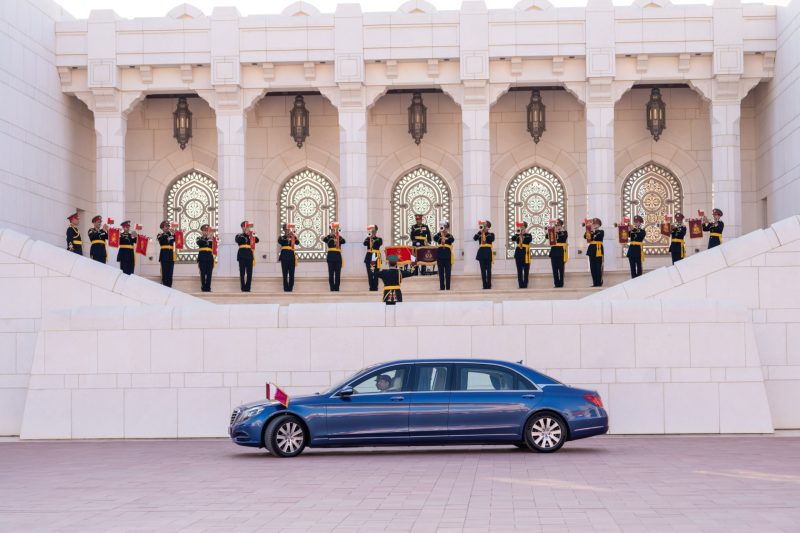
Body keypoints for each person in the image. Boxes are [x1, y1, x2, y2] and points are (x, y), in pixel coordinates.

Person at [235, 221, 259, 292]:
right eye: (244, 227)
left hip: (249, 255)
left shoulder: (252, 235)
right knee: (242, 273)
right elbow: (237, 240)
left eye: (247, 227)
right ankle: (243, 288)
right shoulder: (239, 235)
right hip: (242, 255)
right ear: (242, 228)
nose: (246, 228)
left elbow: (257, 240)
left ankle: (248, 288)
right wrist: (245, 234)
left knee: (249, 273)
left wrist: (251, 234)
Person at [323, 223, 345, 292]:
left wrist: (337, 236)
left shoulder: (339, 237)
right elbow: (324, 240)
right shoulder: (328, 237)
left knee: (338, 274)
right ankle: (332, 288)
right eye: (332, 230)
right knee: (331, 274)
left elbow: (344, 241)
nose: (334, 231)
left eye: (335, 230)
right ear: (331, 230)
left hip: (338, 258)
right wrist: (330, 235)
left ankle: (337, 288)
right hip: (331, 258)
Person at [433, 220, 455, 291]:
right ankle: (442, 287)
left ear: (447, 227)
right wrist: (441, 233)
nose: (444, 228)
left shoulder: (450, 235)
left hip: (447, 256)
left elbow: (451, 240)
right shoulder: (438, 235)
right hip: (440, 256)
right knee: (441, 272)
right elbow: (435, 239)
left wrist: (444, 235)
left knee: (448, 272)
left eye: (445, 227)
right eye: (443, 227)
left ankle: (448, 287)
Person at [510, 221, 533, 289]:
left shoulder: (528, 235)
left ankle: (525, 285)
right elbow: (513, 239)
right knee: (519, 270)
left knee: (526, 271)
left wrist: (523, 234)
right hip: (518, 254)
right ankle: (520, 285)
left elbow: (529, 240)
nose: (521, 228)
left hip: (526, 254)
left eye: (522, 227)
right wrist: (518, 233)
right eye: (520, 227)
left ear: (525, 227)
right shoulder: (517, 234)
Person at [474, 220, 495, 289]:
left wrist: (485, 232)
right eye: (483, 226)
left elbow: (491, 239)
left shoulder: (491, 234)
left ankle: (489, 285)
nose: (483, 227)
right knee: (482, 271)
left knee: (489, 270)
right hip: (481, 254)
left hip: (488, 254)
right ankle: (484, 285)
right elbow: (475, 238)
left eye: (485, 226)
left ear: (488, 227)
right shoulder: (480, 233)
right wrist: (480, 232)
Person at [277, 223, 297, 292]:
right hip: (284, 257)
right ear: (284, 230)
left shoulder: (292, 237)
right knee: (285, 274)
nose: (288, 230)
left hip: (291, 257)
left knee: (292, 274)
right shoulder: (281, 237)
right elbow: (280, 242)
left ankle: (290, 288)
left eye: (289, 229)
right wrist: (286, 236)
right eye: (286, 229)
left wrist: (293, 236)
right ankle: (286, 289)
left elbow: (297, 242)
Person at [549, 219, 568, 288]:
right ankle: (556, 284)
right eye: (556, 225)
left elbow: (563, 238)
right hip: (553, 252)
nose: (557, 226)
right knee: (554, 269)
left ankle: (561, 283)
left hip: (561, 252)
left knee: (561, 269)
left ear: (561, 225)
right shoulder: (552, 232)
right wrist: (551, 231)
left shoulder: (564, 232)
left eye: (559, 225)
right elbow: (547, 237)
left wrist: (558, 232)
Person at [363, 225, 383, 292]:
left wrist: (373, 238)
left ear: (376, 231)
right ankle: (371, 287)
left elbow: (379, 243)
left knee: (376, 273)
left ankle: (375, 287)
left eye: (374, 230)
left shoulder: (379, 239)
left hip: (376, 256)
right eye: (372, 230)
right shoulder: (368, 238)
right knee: (370, 273)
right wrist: (369, 238)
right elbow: (365, 244)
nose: (373, 231)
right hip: (369, 256)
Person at [157, 220, 176, 287]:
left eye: (168, 226)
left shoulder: (171, 234)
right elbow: (161, 240)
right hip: (164, 256)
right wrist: (168, 234)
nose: (167, 227)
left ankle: (169, 286)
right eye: (165, 226)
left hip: (171, 256)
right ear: (162, 228)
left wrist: (174, 233)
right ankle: (164, 286)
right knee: (164, 272)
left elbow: (177, 239)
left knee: (170, 273)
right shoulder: (160, 235)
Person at [586, 218, 604, 287]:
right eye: (593, 224)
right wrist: (589, 230)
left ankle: (599, 282)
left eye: (596, 224)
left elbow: (599, 237)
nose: (594, 225)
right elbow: (585, 236)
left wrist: (593, 231)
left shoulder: (601, 231)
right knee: (592, 267)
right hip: (591, 250)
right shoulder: (590, 231)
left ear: (599, 225)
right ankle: (594, 283)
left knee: (598, 267)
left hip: (598, 250)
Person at [197, 224, 214, 292]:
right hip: (202, 258)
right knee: (203, 273)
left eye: (207, 231)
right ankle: (203, 288)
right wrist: (206, 238)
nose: (206, 232)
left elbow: (216, 243)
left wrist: (212, 238)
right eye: (204, 231)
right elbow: (199, 243)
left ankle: (208, 288)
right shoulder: (199, 238)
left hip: (210, 258)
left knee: (209, 273)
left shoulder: (212, 239)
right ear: (202, 231)